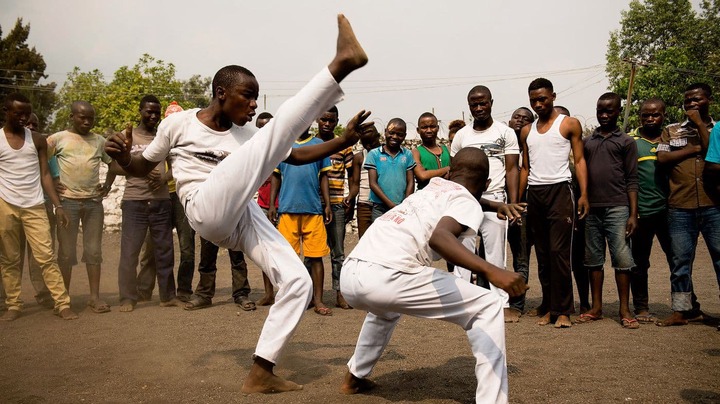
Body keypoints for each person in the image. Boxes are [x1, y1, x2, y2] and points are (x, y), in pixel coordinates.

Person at [104, 14, 369, 393]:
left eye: (256, 96)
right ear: (221, 94)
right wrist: (120, 156)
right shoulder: (178, 125)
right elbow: (141, 166)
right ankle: (339, 64)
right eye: (247, 95)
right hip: (203, 206)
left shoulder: (248, 135)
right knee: (271, 135)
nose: (253, 103)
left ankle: (261, 371)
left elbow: (291, 155)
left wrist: (342, 142)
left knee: (296, 281)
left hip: (242, 214)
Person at [339, 147, 527, 403]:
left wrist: (495, 206)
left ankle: (354, 379)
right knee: (489, 305)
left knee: (384, 311)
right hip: (389, 276)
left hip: (352, 274)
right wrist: (492, 271)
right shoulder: (467, 201)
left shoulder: (431, 187)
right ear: (486, 183)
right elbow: (440, 237)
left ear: (449, 173)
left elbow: (463, 194)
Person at [0, 93, 77, 321]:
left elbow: (45, 174)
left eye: (27, 113)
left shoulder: (37, 139)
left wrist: (58, 205)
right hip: (6, 205)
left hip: (35, 205)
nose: (24, 117)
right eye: (18, 113)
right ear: (6, 111)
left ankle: (62, 303)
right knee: (10, 258)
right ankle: (14, 304)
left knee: (46, 257)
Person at [519, 78, 589, 328]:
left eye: (542, 99)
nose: (538, 104)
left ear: (553, 97)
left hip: (561, 191)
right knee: (543, 254)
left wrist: (583, 195)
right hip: (535, 193)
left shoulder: (568, 124)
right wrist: (519, 200)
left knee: (560, 253)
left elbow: (579, 161)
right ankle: (548, 307)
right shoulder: (527, 131)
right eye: (533, 100)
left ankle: (563, 311)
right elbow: (525, 167)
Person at [451, 85, 520, 322]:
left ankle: (501, 304)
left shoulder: (505, 132)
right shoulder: (462, 136)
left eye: (483, 103)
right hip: (467, 201)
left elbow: (512, 169)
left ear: (492, 102)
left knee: (496, 254)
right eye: (474, 104)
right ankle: (460, 302)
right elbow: (455, 171)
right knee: (463, 251)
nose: (479, 108)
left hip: (496, 198)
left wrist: (512, 203)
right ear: (468, 106)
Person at [656, 83, 719, 327]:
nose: (691, 104)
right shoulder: (671, 131)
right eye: (687, 100)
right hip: (680, 205)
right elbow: (662, 158)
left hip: (713, 204)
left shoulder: (718, 130)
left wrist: (701, 126)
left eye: (697, 99)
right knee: (680, 261)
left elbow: (713, 152)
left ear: (709, 100)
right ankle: (682, 311)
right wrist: (693, 149)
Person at [112, 95, 181, 312]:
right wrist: (140, 170)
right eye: (148, 112)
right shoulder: (126, 136)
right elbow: (114, 167)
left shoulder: (164, 137)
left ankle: (168, 296)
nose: (152, 116)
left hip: (161, 201)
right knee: (130, 252)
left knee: (164, 251)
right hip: (135, 201)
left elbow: (176, 167)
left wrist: (163, 178)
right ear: (140, 111)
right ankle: (127, 298)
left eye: (156, 113)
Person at [576, 92, 639, 329]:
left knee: (622, 259)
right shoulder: (587, 142)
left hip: (618, 208)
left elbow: (632, 180)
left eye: (609, 111)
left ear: (618, 112)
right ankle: (597, 307)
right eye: (600, 110)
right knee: (593, 260)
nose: (603, 115)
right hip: (592, 209)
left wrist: (633, 214)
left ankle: (625, 309)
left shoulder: (625, 142)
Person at [48, 100, 116, 314]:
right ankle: (64, 299)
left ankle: (94, 298)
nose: (87, 122)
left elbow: (113, 163)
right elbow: (42, 161)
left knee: (94, 251)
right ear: (72, 117)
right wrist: (54, 178)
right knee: (66, 252)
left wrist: (108, 185)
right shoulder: (58, 139)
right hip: (67, 202)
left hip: (93, 203)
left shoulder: (99, 141)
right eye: (82, 117)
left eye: (90, 118)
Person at [269, 127, 333, 316]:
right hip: (287, 210)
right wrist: (273, 204)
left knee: (316, 257)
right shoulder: (283, 145)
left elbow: (324, 176)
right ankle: (292, 298)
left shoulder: (318, 145)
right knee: (288, 259)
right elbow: (276, 176)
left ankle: (318, 300)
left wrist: (327, 204)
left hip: (313, 210)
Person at [137, 100, 196, 302]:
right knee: (153, 246)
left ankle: (184, 291)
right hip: (160, 197)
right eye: (170, 119)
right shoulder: (160, 138)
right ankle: (144, 290)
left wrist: (165, 177)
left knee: (187, 246)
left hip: (181, 197)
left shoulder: (189, 141)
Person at [626, 98, 673, 324]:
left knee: (678, 259)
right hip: (641, 212)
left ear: (664, 115)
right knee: (639, 262)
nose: (650, 119)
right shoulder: (631, 142)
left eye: (655, 114)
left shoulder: (672, 138)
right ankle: (641, 307)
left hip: (670, 211)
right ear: (640, 116)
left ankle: (686, 306)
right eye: (645, 115)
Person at [313, 106, 354, 309]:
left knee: (338, 252)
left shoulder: (343, 146)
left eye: (331, 120)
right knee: (313, 253)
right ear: (317, 120)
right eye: (323, 119)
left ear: (337, 121)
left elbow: (352, 174)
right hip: (313, 205)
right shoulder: (311, 144)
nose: (327, 124)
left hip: (337, 204)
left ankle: (340, 293)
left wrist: (351, 196)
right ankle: (312, 294)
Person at [505, 107, 534, 320]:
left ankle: (517, 305)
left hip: (523, 208)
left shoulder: (531, 148)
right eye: (517, 117)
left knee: (521, 258)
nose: (519, 121)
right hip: (497, 205)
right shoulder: (500, 145)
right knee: (488, 254)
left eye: (525, 119)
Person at [365, 118, 415, 222]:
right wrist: (391, 205)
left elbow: (410, 181)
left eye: (400, 134)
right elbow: (373, 183)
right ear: (385, 132)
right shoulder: (374, 154)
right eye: (392, 133)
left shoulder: (407, 154)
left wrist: (405, 204)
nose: (395, 137)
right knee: (379, 236)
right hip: (379, 207)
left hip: (401, 206)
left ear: (404, 136)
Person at [184, 238, 255, 311]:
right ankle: (204, 295)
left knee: (237, 258)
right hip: (208, 228)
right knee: (206, 259)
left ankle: (241, 294)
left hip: (232, 227)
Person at [253, 111, 277, 306]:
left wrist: (274, 206)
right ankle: (269, 293)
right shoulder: (254, 150)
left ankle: (287, 291)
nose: (264, 130)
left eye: (267, 126)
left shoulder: (282, 149)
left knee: (286, 251)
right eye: (260, 127)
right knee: (265, 251)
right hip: (262, 206)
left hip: (282, 207)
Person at [347, 123, 381, 238]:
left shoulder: (386, 155)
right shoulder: (359, 157)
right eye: (365, 143)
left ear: (378, 137)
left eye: (372, 142)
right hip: (364, 205)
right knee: (364, 241)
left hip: (381, 203)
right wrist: (349, 199)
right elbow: (355, 184)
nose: (369, 146)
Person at [412, 112, 450, 190]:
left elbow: (457, 171)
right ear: (418, 130)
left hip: (448, 195)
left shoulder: (447, 149)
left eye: (432, 126)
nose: (429, 130)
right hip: (426, 198)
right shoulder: (416, 152)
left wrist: (431, 174)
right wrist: (447, 169)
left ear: (438, 128)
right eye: (424, 127)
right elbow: (422, 176)